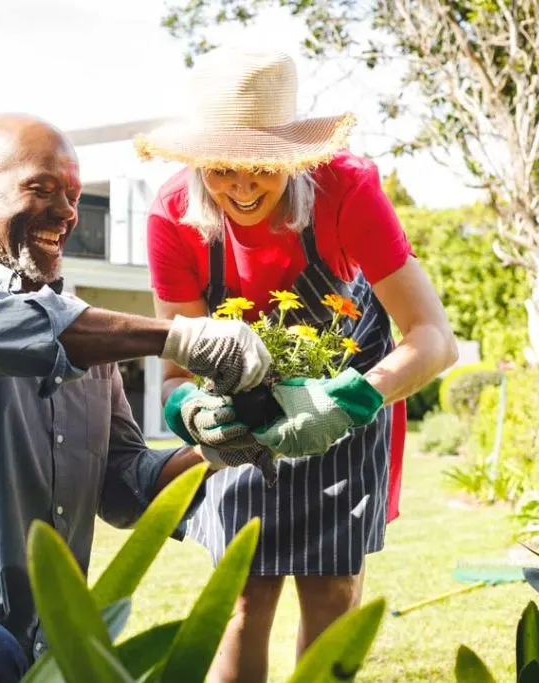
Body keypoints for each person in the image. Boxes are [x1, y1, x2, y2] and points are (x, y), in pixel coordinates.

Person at [0, 113, 275, 683]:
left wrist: (219, 448)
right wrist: (180, 336)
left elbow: (123, 484)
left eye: (74, 195)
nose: (66, 213)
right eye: (42, 188)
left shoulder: (91, 346)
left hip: (43, 622)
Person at [137, 49, 458, 682]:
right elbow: (176, 374)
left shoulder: (347, 190)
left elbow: (433, 339)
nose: (242, 187)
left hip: (351, 389)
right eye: (222, 169)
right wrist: (190, 411)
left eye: (262, 167)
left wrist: (353, 400)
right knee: (242, 596)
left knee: (332, 589)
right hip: (239, 408)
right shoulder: (172, 216)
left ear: (293, 155)